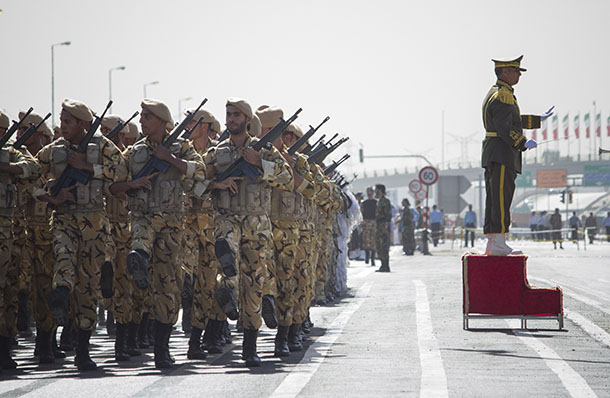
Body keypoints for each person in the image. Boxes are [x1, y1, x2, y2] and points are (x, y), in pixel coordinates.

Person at [110, 99, 207, 369]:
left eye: (148, 117)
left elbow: (199, 171)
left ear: (163, 123)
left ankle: (161, 350)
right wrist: (133, 183)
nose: (142, 121)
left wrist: (170, 159)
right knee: (139, 241)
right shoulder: (133, 152)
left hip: (173, 225)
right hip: (142, 216)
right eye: (141, 116)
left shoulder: (181, 147)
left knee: (167, 287)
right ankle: (138, 256)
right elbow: (114, 187)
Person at [34, 99, 127, 371]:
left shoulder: (103, 148)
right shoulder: (53, 152)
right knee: (63, 257)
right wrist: (51, 198)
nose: (62, 126)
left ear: (83, 125)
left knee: (88, 286)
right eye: (62, 121)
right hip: (63, 219)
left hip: (94, 225)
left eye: (68, 122)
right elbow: (29, 178)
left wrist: (89, 167)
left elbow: (121, 171)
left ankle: (83, 350)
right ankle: (61, 294)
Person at [203, 98, 293, 367]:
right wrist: (217, 184)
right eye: (227, 114)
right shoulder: (216, 153)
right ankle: (226, 260)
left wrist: (259, 163)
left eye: (235, 115)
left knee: (254, 285)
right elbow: (194, 185)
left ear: (246, 119)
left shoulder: (264, 150)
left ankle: (250, 347)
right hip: (227, 217)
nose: (230, 119)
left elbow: (287, 179)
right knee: (224, 240)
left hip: (256, 226)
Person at [481, 55, 552, 255]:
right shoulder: (503, 95)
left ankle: (494, 241)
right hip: (502, 152)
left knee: (495, 198)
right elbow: (504, 127)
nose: (519, 75)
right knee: (501, 197)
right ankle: (499, 241)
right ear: (504, 72)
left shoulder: (499, 93)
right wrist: (521, 142)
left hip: (495, 151)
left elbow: (510, 119)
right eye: (515, 71)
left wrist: (537, 120)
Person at [0, 110, 41, 371]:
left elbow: (33, 168)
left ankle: (4, 346)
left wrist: (5, 167)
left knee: (8, 292)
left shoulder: (11, 153)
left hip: (7, 234)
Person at [374, 184, 392, 272]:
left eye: (376, 190)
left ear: (380, 190)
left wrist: (386, 226)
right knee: (379, 246)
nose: (375, 192)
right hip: (378, 225)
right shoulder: (379, 201)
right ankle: (382, 264)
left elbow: (388, 215)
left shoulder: (385, 201)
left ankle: (386, 265)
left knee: (384, 246)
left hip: (383, 225)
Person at [360, 187, 377, 265]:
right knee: (366, 240)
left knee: (373, 240)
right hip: (366, 221)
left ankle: (372, 258)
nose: (369, 193)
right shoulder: (364, 203)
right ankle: (367, 256)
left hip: (373, 221)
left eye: (370, 192)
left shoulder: (376, 202)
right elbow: (361, 212)